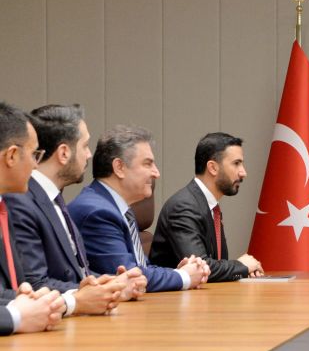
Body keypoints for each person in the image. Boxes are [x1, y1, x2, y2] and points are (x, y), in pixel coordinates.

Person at [5, 105, 147, 317]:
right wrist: (84, 296)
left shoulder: (54, 198)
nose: (89, 155)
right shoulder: (20, 202)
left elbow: (77, 273)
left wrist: (111, 285)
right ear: (64, 153)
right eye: (85, 146)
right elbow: (34, 283)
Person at [68, 125, 210, 292]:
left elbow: (142, 269)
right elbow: (130, 277)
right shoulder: (98, 212)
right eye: (147, 164)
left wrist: (179, 272)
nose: (156, 173)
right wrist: (183, 276)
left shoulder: (119, 209)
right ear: (119, 167)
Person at [150, 132, 263, 281]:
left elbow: (216, 265)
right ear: (213, 168)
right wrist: (241, 266)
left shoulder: (210, 207)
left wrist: (244, 269)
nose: (243, 172)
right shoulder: (183, 207)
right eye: (236, 163)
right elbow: (200, 267)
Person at [0, 102, 65, 334]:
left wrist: (35, 301)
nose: (36, 166)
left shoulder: (4, 208)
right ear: (12, 155)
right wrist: (16, 316)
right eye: (34, 154)